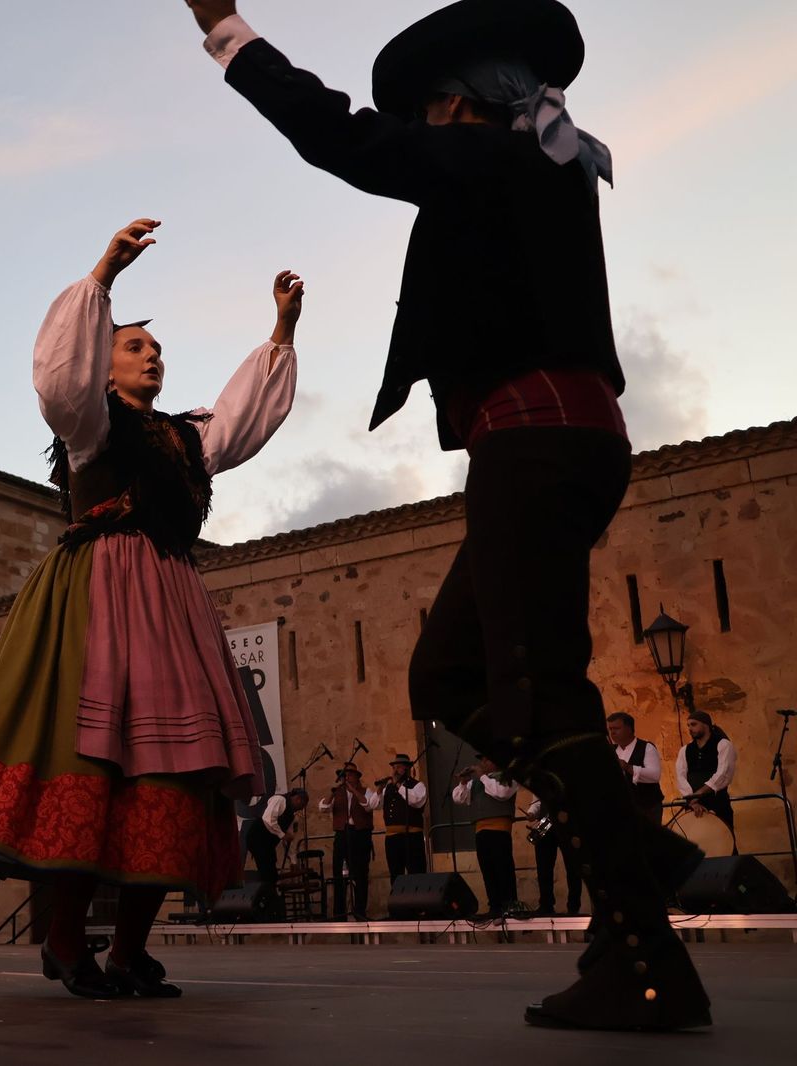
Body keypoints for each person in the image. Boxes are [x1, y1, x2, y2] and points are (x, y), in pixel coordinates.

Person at [183, 0, 710, 1030]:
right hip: (546, 439)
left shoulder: (503, 161)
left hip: (536, 438)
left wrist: (226, 31)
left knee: (537, 688)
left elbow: (339, 136)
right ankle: (635, 863)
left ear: (463, 105)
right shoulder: (527, 170)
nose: (422, 125)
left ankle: (647, 958)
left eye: (431, 108)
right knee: (449, 676)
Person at [0, 218, 301, 999]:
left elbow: (240, 419)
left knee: (175, 771)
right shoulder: (92, 426)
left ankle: (130, 948)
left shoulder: (185, 437)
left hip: (171, 597)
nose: (151, 355)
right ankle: (64, 938)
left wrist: (280, 331)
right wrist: (103, 277)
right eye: (133, 347)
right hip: (100, 591)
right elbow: (60, 381)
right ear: (105, 366)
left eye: (157, 349)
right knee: (91, 763)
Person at [450, 758, 520, 919]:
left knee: (503, 869)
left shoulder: (508, 777)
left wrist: (482, 776)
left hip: (499, 831)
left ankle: (509, 905)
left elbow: (501, 793)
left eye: (487, 760)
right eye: (481, 761)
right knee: (488, 870)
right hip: (481, 831)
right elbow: (458, 798)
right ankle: (494, 906)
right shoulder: (477, 782)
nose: (483, 764)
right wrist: (462, 782)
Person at [318, 764, 376, 921]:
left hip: (360, 835)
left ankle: (360, 911)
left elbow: (368, 806)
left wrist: (354, 791)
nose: (347, 778)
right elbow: (323, 808)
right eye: (344, 776)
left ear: (357, 777)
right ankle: (339, 913)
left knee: (361, 874)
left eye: (350, 775)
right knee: (339, 874)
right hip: (342, 835)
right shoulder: (338, 793)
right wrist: (332, 794)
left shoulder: (366, 791)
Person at [243, 788, 308, 920]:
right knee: (267, 873)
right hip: (257, 837)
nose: (300, 809)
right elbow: (268, 820)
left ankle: (267, 907)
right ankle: (261, 908)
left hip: (267, 843)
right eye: (301, 805)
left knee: (271, 873)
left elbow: (288, 837)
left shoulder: (291, 814)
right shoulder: (280, 800)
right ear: (297, 799)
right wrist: (282, 835)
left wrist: (293, 860)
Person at [675, 709, 738, 837]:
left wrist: (700, 793)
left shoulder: (723, 745)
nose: (690, 728)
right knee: (697, 840)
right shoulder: (685, 750)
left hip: (718, 802)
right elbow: (681, 776)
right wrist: (693, 801)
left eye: (693, 724)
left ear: (705, 725)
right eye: (688, 725)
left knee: (723, 841)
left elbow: (723, 773)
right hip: (693, 805)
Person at [526, 793, 581, 916]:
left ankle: (573, 906)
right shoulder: (541, 776)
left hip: (567, 820)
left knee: (573, 866)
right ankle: (546, 904)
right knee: (543, 866)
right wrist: (532, 813)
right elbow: (537, 801)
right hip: (546, 821)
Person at [375, 754, 428, 881]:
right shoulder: (388, 787)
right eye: (394, 767)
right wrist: (378, 791)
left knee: (416, 873)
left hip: (412, 836)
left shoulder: (418, 785)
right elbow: (374, 805)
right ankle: (398, 899)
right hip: (392, 838)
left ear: (407, 769)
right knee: (395, 874)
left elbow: (415, 801)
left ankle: (418, 900)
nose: (394, 770)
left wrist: (399, 786)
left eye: (398, 767)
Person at [607, 711, 665, 826]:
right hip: (621, 810)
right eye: (610, 729)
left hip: (648, 807)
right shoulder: (610, 751)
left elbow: (654, 775)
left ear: (629, 729)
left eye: (616, 728)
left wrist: (627, 767)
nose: (612, 732)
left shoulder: (646, 747)